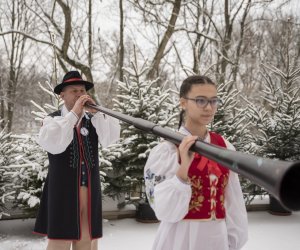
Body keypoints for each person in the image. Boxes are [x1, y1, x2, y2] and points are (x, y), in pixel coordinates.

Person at [144, 75, 248, 250]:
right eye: (200, 100)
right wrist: (183, 169)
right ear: (183, 103)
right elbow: (163, 210)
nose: (209, 107)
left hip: (216, 239)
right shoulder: (166, 150)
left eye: (214, 101)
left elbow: (233, 200)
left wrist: (233, 240)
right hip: (179, 238)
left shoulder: (225, 147)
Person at [33, 70, 120, 250]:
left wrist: (96, 113)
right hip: (62, 189)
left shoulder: (93, 120)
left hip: (90, 188)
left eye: (82, 91)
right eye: (74, 91)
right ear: (62, 95)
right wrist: (73, 114)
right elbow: (53, 144)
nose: (80, 94)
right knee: (60, 240)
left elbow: (110, 139)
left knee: (87, 240)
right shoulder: (53, 120)